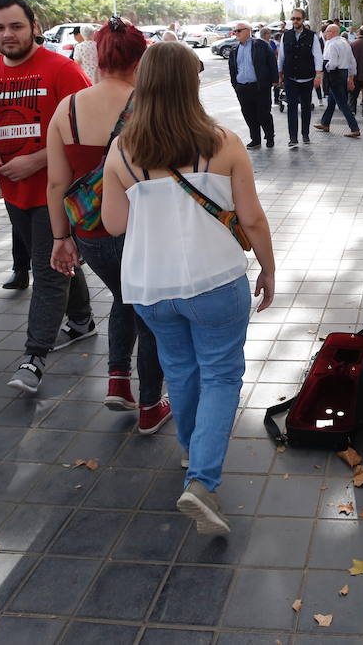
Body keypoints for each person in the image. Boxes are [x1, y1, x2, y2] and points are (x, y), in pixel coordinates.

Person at [101, 41, 276, 535]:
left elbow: (113, 225)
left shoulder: (122, 149)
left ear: (144, 84)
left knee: (180, 368)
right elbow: (253, 218)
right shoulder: (225, 142)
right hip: (216, 280)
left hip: (150, 286)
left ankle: (191, 452)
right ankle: (202, 479)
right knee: (221, 374)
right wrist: (268, 269)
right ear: (193, 83)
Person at [0, 0, 95, 395]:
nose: (8, 34)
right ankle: (83, 322)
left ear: (33, 26)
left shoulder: (63, 70)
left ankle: (34, 357)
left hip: (56, 192)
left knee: (48, 267)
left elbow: (85, 134)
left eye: (16, 26)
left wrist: (37, 161)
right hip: (12, 191)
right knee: (58, 257)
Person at [46, 19, 170, 431]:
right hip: (144, 231)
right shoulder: (153, 106)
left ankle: (119, 378)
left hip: (91, 234)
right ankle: (151, 405)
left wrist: (61, 237)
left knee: (124, 296)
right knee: (149, 311)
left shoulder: (68, 108)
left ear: (98, 56)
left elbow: (57, 182)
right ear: (142, 58)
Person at [226, 21, 277, 149]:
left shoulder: (260, 45)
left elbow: (272, 62)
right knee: (249, 114)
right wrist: (235, 85)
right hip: (242, 88)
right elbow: (232, 69)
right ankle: (255, 139)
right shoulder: (234, 49)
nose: (236, 33)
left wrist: (274, 80)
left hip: (260, 86)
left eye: (239, 30)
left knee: (263, 114)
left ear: (248, 31)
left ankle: (269, 136)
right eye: (235, 31)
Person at [278, 8, 322, 149]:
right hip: (290, 78)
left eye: (298, 18)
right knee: (291, 107)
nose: (295, 21)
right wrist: (279, 74)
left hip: (307, 78)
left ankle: (305, 134)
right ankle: (293, 138)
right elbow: (281, 56)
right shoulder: (286, 35)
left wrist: (318, 75)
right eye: (293, 19)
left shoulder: (312, 36)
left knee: (305, 107)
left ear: (303, 20)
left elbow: (318, 56)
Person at [311, 24, 361, 138]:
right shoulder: (345, 43)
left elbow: (332, 64)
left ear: (333, 32)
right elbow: (352, 61)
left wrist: (324, 68)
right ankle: (325, 123)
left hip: (334, 75)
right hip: (343, 73)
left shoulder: (332, 44)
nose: (325, 34)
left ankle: (355, 128)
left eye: (327, 31)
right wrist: (351, 77)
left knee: (342, 103)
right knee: (332, 101)